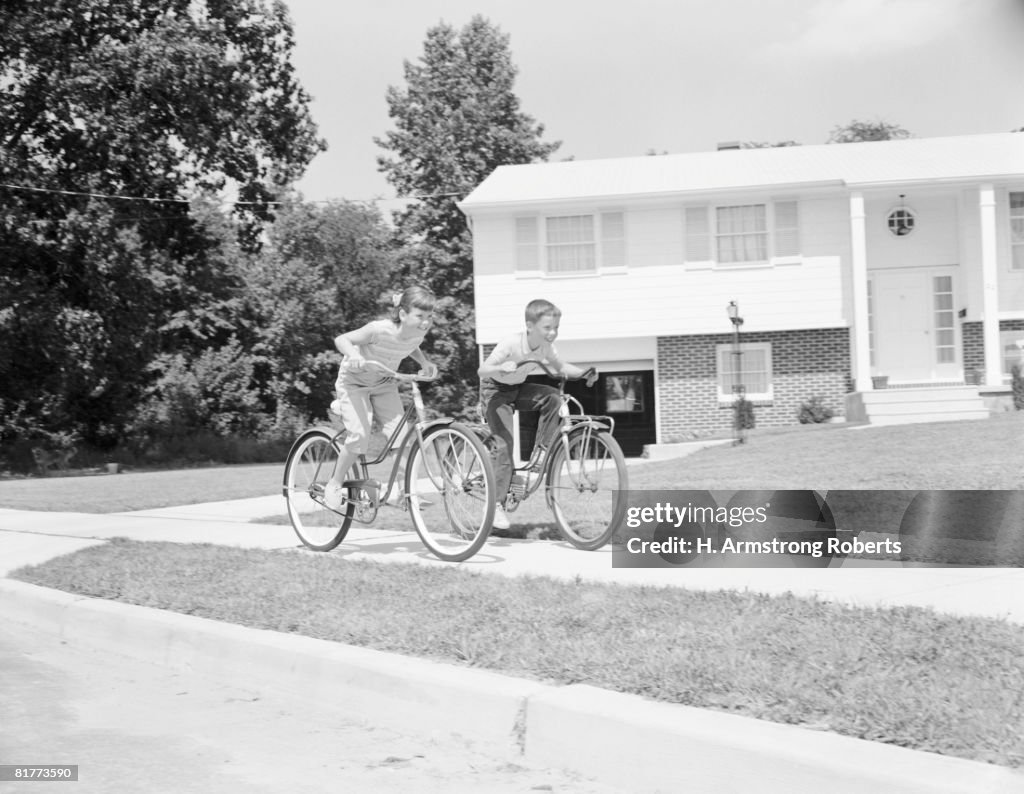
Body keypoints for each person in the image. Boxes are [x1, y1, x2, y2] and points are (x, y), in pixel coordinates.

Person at [477, 298, 597, 529]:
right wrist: (501, 367)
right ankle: (495, 506)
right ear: (530, 326)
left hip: (517, 388)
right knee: (503, 445)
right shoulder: (511, 344)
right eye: (547, 328)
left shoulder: (546, 347)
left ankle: (541, 453)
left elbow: (561, 367)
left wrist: (583, 373)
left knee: (553, 397)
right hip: (495, 391)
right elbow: (483, 370)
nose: (553, 333)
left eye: (556, 328)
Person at [325, 286, 438, 510]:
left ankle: (405, 493)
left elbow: (410, 345)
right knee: (359, 435)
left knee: (402, 438)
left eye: (429, 316)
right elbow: (342, 339)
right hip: (354, 384)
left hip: (384, 384)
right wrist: (354, 354)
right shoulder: (377, 330)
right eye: (420, 316)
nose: (425, 322)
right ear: (403, 315)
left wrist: (424, 362)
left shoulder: (418, 331)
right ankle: (334, 483)